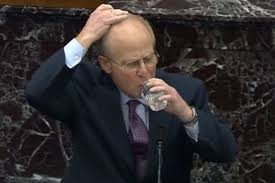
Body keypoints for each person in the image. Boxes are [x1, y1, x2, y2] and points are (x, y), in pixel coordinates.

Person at [25, 4, 236, 183]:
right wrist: (85, 37)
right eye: (132, 64)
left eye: (149, 58)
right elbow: (37, 92)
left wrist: (186, 114)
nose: (144, 71)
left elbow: (224, 152)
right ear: (106, 64)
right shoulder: (86, 86)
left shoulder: (186, 91)